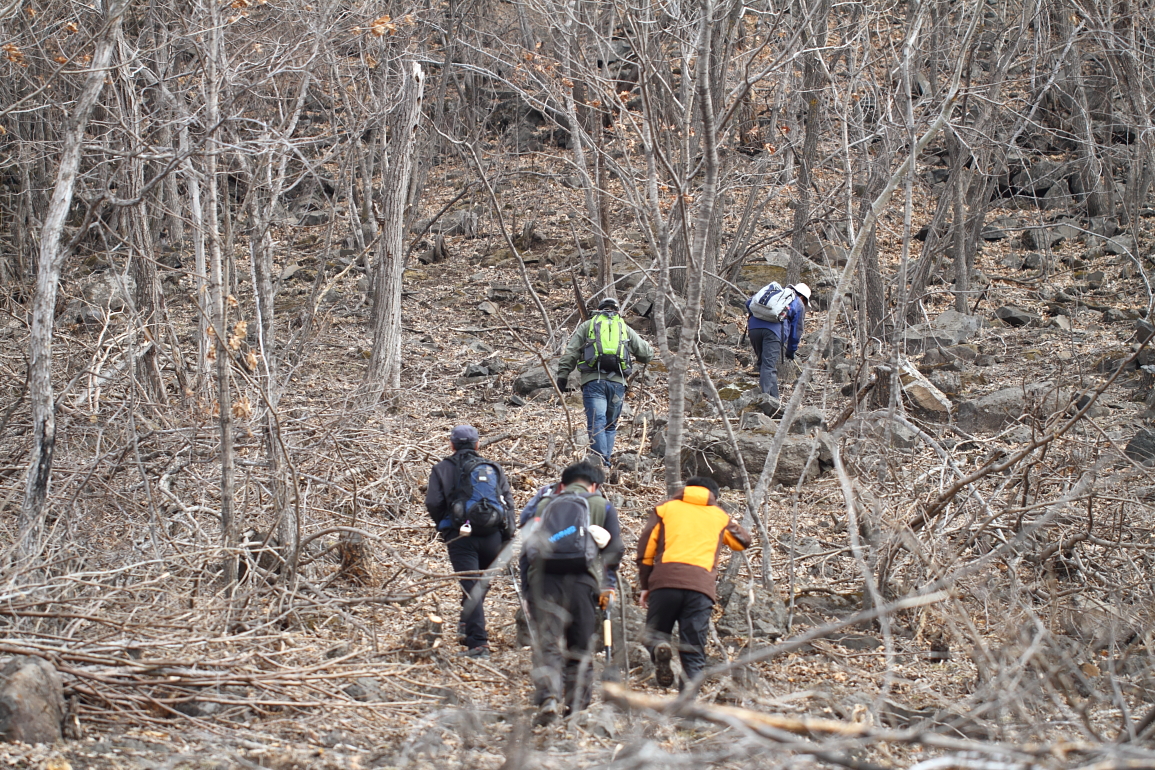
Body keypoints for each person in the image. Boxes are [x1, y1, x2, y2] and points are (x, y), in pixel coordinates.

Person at [521, 461, 623, 725]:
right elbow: (615, 549)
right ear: (596, 485)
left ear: (563, 484)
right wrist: (608, 584)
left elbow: (525, 547)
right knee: (579, 646)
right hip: (583, 583)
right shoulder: (601, 505)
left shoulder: (543, 504)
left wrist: (527, 588)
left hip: (544, 581)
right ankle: (577, 708)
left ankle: (548, 698)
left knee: (549, 643)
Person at [636, 476, 751, 689]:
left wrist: (646, 585)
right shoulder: (718, 516)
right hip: (700, 589)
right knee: (693, 650)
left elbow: (646, 551)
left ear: (685, 489)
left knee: (653, 635)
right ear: (714, 496)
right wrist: (727, 518)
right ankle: (686, 711)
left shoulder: (665, 508)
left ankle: (661, 648)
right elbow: (743, 541)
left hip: (665, 582)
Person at [425, 425, 516, 659]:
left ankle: (478, 643)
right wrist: (508, 534)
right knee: (477, 586)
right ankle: (466, 626)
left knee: (471, 588)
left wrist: (445, 526)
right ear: (477, 444)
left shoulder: (442, 468)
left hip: (460, 537)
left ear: (451, 444)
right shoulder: (492, 467)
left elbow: (433, 502)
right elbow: (507, 500)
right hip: (493, 536)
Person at [556, 297, 654, 468]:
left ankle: (599, 464)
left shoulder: (588, 326)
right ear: (617, 311)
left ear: (599, 310)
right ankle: (605, 464)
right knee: (609, 425)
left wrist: (563, 375)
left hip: (593, 382)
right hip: (617, 384)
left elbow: (571, 351)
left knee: (597, 422)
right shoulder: (624, 328)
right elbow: (646, 354)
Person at [745, 282, 810, 399]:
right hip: (773, 332)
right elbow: (796, 331)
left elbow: (749, 303)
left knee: (763, 364)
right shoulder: (798, 302)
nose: (804, 305)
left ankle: (773, 398)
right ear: (802, 297)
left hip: (754, 329)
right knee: (768, 366)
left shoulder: (773, 293)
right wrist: (791, 351)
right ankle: (768, 401)